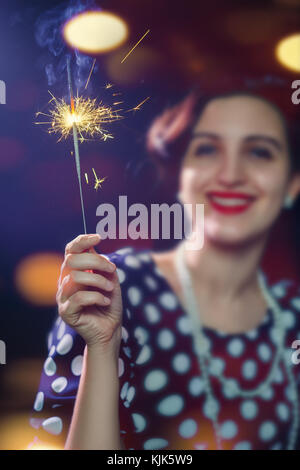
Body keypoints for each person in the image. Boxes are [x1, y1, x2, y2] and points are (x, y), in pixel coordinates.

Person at [29, 85, 300, 450]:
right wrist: (103, 346)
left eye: (259, 152)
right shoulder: (112, 286)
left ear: (292, 183)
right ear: (180, 175)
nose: (232, 174)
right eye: (207, 149)